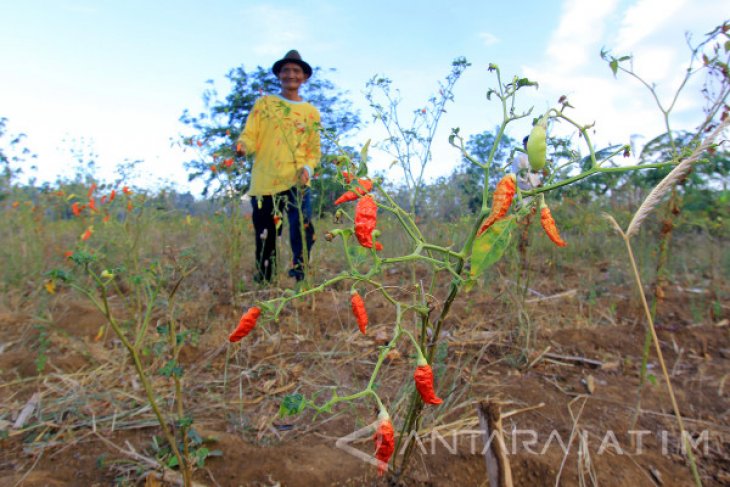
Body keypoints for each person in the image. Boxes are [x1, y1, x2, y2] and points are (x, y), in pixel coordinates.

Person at [236, 50, 321, 283]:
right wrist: (243, 146)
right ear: (279, 75)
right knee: (266, 234)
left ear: (304, 77)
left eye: (296, 71)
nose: (291, 75)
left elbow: (314, 150)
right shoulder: (265, 104)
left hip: (297, 179)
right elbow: (250, 135)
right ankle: (264, 280)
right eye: (286, 70)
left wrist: (308, 169)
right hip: (265, 180)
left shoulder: (311, 113)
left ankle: (300, 276)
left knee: (302, 230)